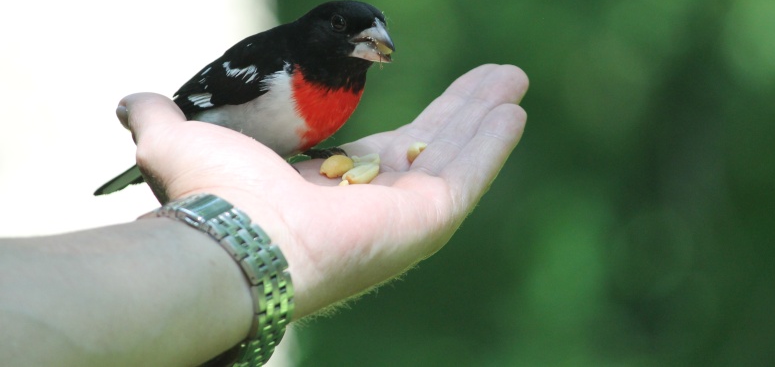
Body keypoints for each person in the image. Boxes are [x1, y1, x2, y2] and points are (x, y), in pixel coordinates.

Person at [0, 64, 528, 367]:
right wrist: (254, 234)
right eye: (350, 28)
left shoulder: (344, 86)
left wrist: (254, 251)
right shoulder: (275, 65)